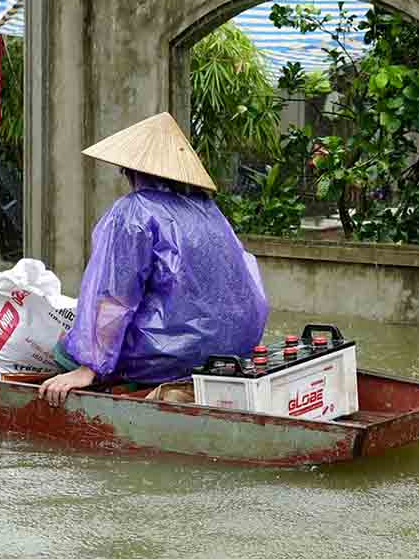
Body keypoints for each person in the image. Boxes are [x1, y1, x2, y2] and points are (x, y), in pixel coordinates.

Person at [40, 112, 269, 407]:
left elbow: (114, 297)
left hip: (169, 355)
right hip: (237, 350)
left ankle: (130, 384)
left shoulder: (134, 212)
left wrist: (89, 366)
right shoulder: (209, 211)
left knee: (65, 347)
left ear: (132, 173)